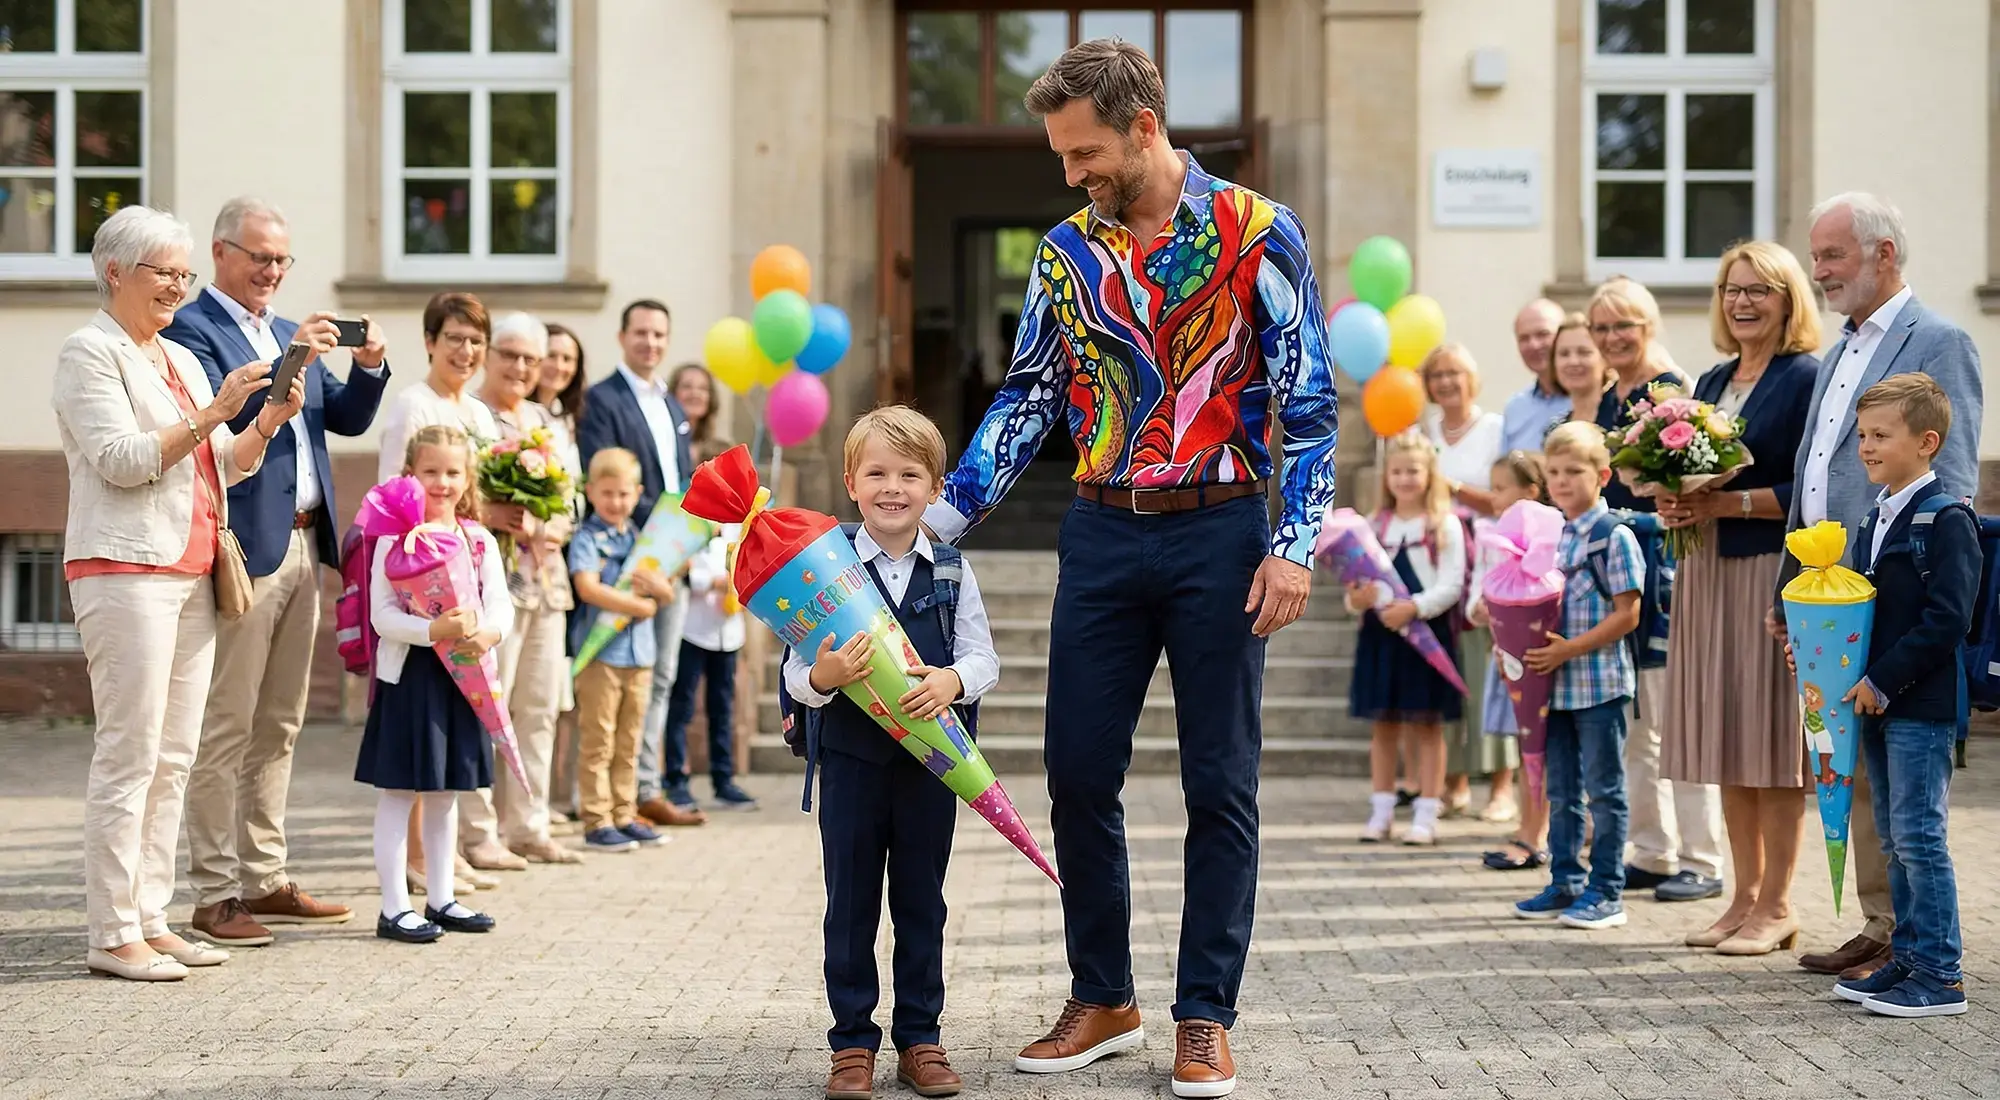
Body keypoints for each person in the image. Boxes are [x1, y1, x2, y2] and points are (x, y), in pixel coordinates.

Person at [921, 41, 1337, 1096]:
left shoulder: (1259, 231)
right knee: (1075, 771)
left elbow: (1308, 405)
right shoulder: (1063, 250)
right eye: (1062, 154)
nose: (1070, 173)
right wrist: (940, 517)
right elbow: (1025, 396)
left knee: (1218, 783)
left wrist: (1292, 546)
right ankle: (1102, 995)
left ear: (1144, 125)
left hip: (1221, 533)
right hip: (1102, 532)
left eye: (1085, 150)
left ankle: (1204, 1015)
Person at [55, 205, 301, 980]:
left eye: (183, 274)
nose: (177, 287)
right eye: (165, 272)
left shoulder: (178, 359)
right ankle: (110, 930)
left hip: (192, 570)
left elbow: (221, 461)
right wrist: (212, 414)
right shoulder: (87, 352)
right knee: (128, 756)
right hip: (124, 571)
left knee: (173, 757)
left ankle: (152, 917)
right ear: (115, 271)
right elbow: (124, 460)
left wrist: (262, 424)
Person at [166, 197, 388, 948]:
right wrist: (295, 362)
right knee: (226, 724)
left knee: (282, 723)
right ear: (222, 253)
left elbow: (343, 420)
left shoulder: (294, 329)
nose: (270, 271)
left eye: (281, 260)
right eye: (258, 257)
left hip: (303, 543)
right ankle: (214, 892)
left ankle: (265, 875)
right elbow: (224, 424)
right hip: (244, 545)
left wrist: (368, 366)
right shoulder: (192, 330)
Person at [1775, 192, 1984, 982]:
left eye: (1832, 257)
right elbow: (1813, 474)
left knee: (1899, 785)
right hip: (1826, 590)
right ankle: (1881, 921)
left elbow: (1951, 478)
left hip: (1891, 600)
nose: (1818, 272)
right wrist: (1788, 584)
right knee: (1857, 766)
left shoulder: (1940, 339)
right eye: (1817, 255)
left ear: (1883, 254)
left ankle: (1910, 936)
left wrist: (1916, 572)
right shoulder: (1839, 349)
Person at [785, 406, 1000, 1100]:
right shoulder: (827, 571)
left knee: (920, 902)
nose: (892, 488)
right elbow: (795, 673)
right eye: (876, 472)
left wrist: (952, 679)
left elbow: (982, 657)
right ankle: (851, 1044)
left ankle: (921, 1037)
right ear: (851, 482)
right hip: (850, 764)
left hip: (929, 768)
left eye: (910, 475)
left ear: (935, 488)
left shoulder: (953, 573)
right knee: (849, 903)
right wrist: (824, 677)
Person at [1656, 242, 1819, 955]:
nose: (1743, 301)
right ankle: (1741, 898)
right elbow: (1691, 472)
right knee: (1726, 736)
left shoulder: (1806, 376)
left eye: (1760, 290)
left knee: (1769, 738)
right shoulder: (1715, 377)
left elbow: (1811, 490)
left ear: (1789, 300)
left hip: (1765, 570)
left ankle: (1779, 903)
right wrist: (1674, 498)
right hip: (1707, 569)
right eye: (1731, 289)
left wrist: (1730, 504)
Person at [1810, 375, 1972, 1018]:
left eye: (1881, 435)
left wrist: (1883, 678)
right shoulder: (1876, 515)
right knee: (1894, 839)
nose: (1866, 446)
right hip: (1876, 702)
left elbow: (1947, 619)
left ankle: (1941, 974)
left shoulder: (1946, 517)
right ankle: (1906, 958)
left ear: (1926, 442)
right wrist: (1818, 648)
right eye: (1863, 435)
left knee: (1918, 835)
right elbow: (1862, 611)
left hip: (1918, 707)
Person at [1587, 278, 1725, 904]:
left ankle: (1701, 857)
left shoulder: (1669, 388)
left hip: (1667, 565)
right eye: (1602, 328)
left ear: (1648, 325)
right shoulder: (1606, 394)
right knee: (1637, 725)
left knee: (1676, 719)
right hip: (1618, 569)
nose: (1613, 338)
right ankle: (1652, 847)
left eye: (1624, 326)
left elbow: (1694, 475)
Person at [356, 425, 510, 944]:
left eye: (452, 472)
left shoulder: (479, 538)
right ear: (410, 475)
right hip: (411, 678)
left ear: (466, 478)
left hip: (461, 678)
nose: (441, 482)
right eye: (430, 472)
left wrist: (488, 633)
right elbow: (380, 616)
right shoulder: (392, 541)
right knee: (400, 792)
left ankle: (441, 896)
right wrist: (431, 630)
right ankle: (393, 906)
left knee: (446, 793)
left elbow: (499, 603)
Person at [574, 300, 703, 830]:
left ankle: (641, 789)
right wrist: (658, 543)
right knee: (616, 690)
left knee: (661, 677)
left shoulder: (671, 404)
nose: (650, 342)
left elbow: (682, 479)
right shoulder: (602, 400)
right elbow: (607, 477)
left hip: (676, 555)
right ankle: (615, 799)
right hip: (633, 557)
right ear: (623, 336)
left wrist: (691, 539)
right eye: (641, 333)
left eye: (659, 334)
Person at [459, 312, 580, 867]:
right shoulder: (471, 416)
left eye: (531, 359)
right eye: (509, 355)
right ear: (489, 355)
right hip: (488, 584)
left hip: (545, 582)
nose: (521, 368)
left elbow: (571, 503)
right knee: (490, 703)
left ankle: (528, 825)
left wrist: (548, 525)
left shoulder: (544, 421)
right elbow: (452, 492)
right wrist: (495, 512)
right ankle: (478, 832)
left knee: (537, 708)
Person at [1512, 422, 1643, 931]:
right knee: (1561, 790)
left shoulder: (1616, 535)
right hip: (1554, 688)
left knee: (1605, 791)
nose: (1562, 481)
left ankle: (1607, 891)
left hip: (1600, 685)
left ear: (1602, 475)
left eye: (1574, 472)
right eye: (1555, 473)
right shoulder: (1549, 533)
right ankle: (1564, 880)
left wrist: (1571, 649)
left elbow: (1627, 613)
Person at [1348, 431, 1464, 846]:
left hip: (1426, 636)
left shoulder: (1444, 524)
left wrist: (1413, 607)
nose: (1405, 479)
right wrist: (1357, 600)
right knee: (1384, 724)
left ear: (1429, 474)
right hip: (1382, 637)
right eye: (1397, 471)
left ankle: (1426, 814)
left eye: (1413, 470)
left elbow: (1452, 585)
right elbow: (1358, 586)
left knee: (1427, 725)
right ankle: (1381, 811)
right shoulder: (1375, 524)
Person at [1418, 343, 1518, 821]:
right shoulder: (1426, 431)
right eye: (1437, 375)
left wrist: (1451, 488)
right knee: (1449, 671)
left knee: (1487, 672)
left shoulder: (1496, 428)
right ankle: (1453, 782)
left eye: (1455, 373)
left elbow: (1505, 499)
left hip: (1487, 562)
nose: (1446, 383)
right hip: (1436, 563)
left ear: (1472, 379)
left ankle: (1501, 787)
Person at [567, 447, 678, 854]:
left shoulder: (639, 539)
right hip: (602, 656)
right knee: (599, 739)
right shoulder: (587, 537)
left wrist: (660, 591)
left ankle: (625, 813)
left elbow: (664, 586)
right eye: (608, 493)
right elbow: (588, 588)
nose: (616, 502)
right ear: (591, 492)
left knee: (631, 738)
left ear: (637, 494)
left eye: (624, 494)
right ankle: (597, 821)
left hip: (639, 654)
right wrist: (639, 605)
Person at [1472, 451, 1555, 871]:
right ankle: (1528, 828)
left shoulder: (1546, 538)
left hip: (1538, 658)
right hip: (1504, 655)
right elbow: (1482, 586)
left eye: (1502, 488)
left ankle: (1537, 833)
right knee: (1525, 747)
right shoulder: (1493, 533)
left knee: (1539, 746)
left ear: (1531, 492)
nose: (1494, 496)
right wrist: (1481, 609)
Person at [661, 439, 754, 812]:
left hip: (727, 629)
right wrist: (711, 582)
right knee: (682, 703)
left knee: (722, 705)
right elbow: (678, 565)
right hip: (692, 625)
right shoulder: (687, 518)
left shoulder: (740, 521)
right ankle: (676, 778)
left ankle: (723, 777)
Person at [535, 321, 587, 825]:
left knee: (555, 691)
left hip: (561, 559)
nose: (558, 367)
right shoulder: (522, 416)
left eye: (568, 360)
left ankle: (547, 798)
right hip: (527, 557)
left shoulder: (566, 419)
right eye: (551, 355)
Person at [375, 293, 499, 485]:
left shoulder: (480, 412)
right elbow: (391, 486)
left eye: (476, 341)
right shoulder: (412, 405)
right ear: (430, 342)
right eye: (455, 338)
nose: (467, 351)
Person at [1499, 298, 1571, 454]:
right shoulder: (1515, 407)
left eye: (1543, 334)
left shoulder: (1589, 399)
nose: (1534, 345)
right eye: (1524, 338)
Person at [1546, 313, 1609, 438]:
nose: (1573, 362)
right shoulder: (1554, 430)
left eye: (1584, 352)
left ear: (1604, 358)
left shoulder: (1620, 418)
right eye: (1564, 354)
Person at [667, 361, 719, 448]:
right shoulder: (662, 443)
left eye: (702, 388)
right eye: (687, 386)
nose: (695, 393)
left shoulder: (716, 449)